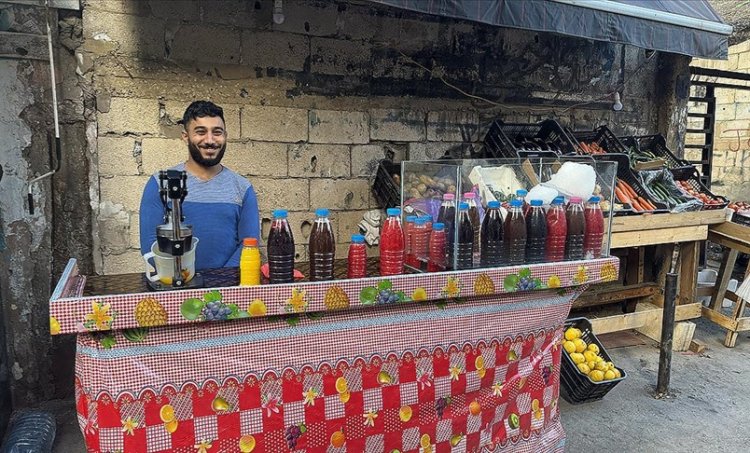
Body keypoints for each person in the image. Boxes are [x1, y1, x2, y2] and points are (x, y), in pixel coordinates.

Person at [139, 100, 260, 269]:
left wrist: (221, 280)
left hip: (229, 285)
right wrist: (180, 276)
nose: (210, 140)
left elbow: (249, 244)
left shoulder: (242, 188)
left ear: (225, 136)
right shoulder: (159, 183)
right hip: (175, 286)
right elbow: (150, 245)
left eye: (217, 132)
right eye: (200, 132)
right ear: (185, 136)